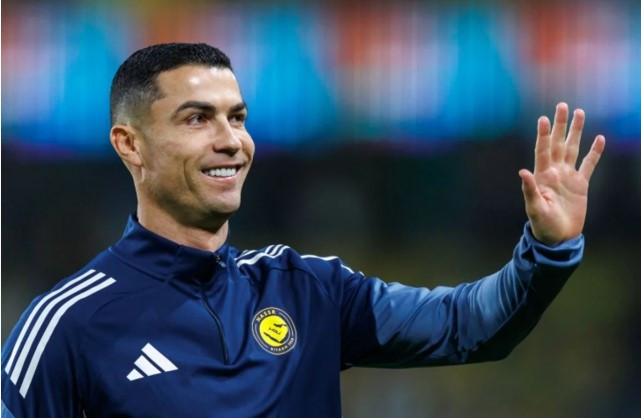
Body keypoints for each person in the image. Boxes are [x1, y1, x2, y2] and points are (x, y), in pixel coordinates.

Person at [1, 43, 605, 418]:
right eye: (197, 119)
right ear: (129, 144)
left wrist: (547, 250)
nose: (231, 140)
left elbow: (469, 325)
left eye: (237, 118)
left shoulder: (305, 289)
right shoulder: (66, 325)